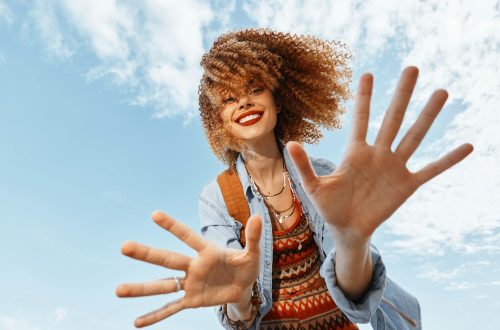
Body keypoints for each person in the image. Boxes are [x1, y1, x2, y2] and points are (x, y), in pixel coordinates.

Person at [115, 29, 473, 329]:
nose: (243, 102)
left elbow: (358, 298)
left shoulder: (320, 174)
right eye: (228, 97)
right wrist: (239, 296)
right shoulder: (217, 197)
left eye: (255, 88)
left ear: (277, 98)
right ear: (218, 119)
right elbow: (240, 311)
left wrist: (352, 242)